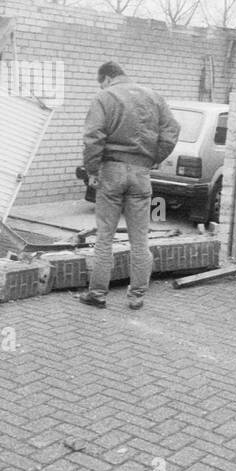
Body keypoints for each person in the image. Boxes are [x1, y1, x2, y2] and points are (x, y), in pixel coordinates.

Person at [79, 61, 179, 311]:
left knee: (105, 237)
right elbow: (172, 130)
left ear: (106, 78)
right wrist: (154, 158)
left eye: (100, 82)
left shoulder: (105, 96)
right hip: (141, 173)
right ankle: (136, 296)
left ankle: (98, 294)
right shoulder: (154, 96)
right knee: (139, 238)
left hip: (111, 172)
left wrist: (92, 170)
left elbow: (93, 137)